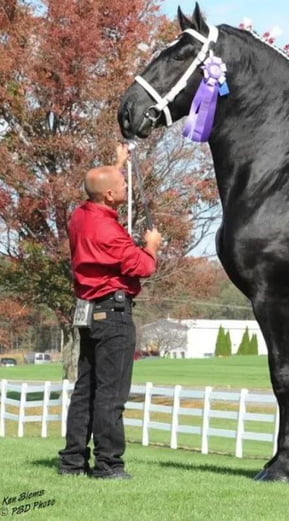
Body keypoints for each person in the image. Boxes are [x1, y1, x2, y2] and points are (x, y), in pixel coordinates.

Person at [58, 143, 162, 479]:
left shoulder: (80, 216)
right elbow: (142, 267)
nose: (126, 187)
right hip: (113, 314)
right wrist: (151, 247)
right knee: (111, 394)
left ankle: (72, 462)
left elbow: (96, 184)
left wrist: (117, 164)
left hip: (88, 312)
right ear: (108, 196)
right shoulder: (108, 232)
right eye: (122, 186)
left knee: (85, 390)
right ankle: (108, 465)